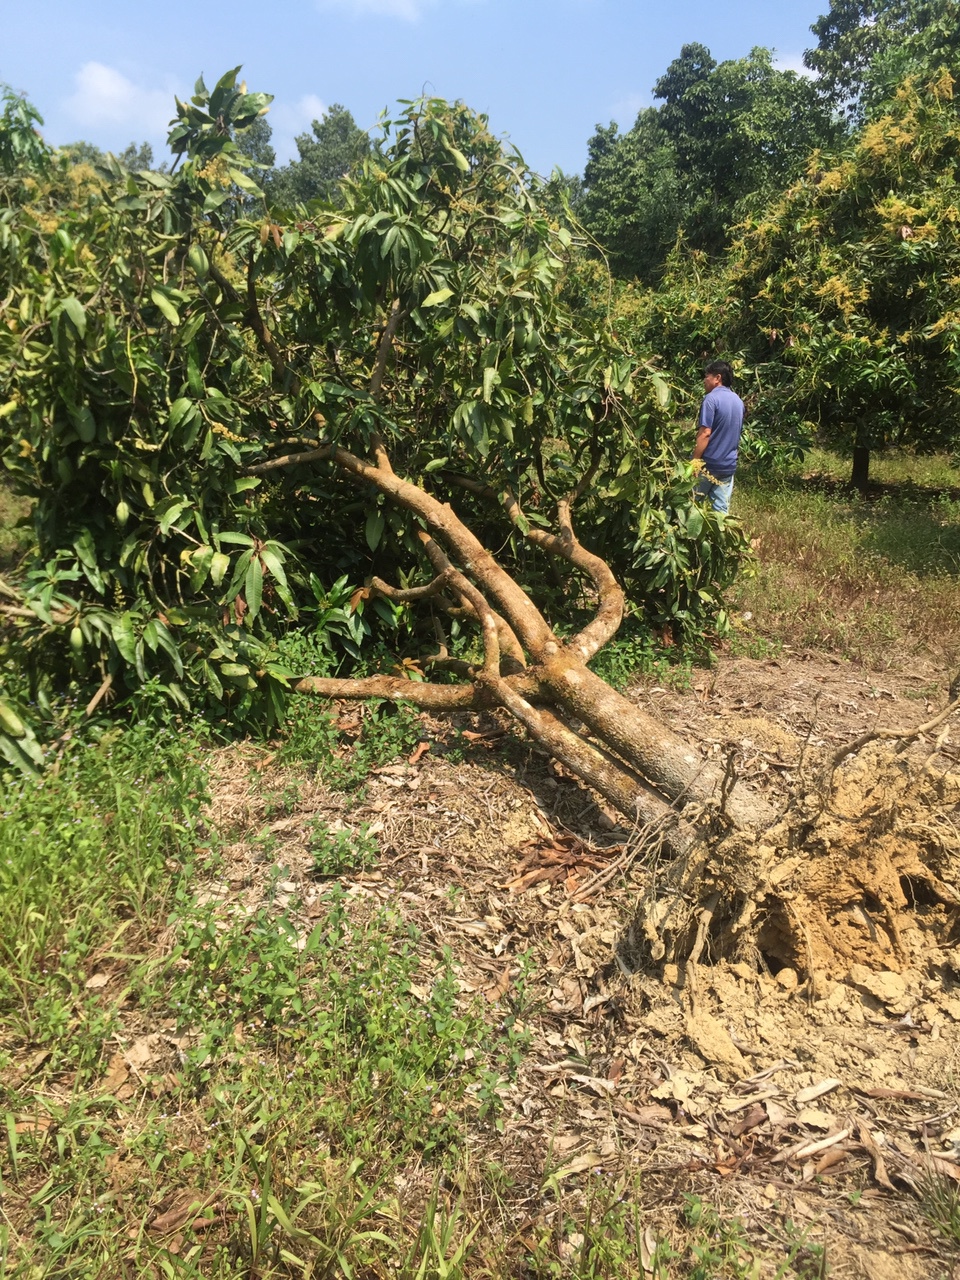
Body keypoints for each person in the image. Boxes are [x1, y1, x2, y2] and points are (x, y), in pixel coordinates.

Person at [692, 359, 744, 514]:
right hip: (728, 465)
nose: (704, 380)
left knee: (690, 505)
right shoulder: (738, 401)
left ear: (717, 378)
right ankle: (720, 537)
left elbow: (705, 433)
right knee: (721, 513)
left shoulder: (711, 399)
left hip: (709, 465)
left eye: (707, 376)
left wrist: (695, 461)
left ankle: (688, 537)